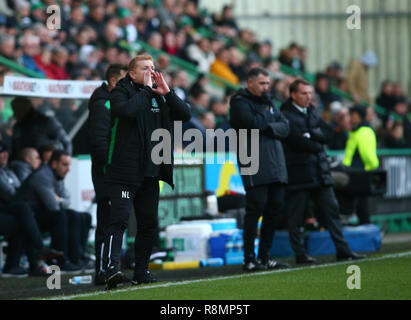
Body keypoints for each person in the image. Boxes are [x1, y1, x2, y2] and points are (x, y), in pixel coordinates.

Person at [102, 54, 191, 289]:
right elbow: (127, 111)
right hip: (123, 171)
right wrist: (147, 91)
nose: (151, 72)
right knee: (119, 220)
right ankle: (111, 270)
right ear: (132, 74)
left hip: (150, 171)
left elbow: (185, 115)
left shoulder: (159, 96)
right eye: (145, 68)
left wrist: (168, 93)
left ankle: (141, 271)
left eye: (153, 68)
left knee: (149, 224)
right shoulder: (121, 91)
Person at [281, 79, 365, 264]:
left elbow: (327, 134)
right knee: (297, 216)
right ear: (293, 95)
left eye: (310, 93)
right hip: (300, 172)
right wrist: (315, 138)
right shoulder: (286, 115)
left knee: (332, 211)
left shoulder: (312, 112)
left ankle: (343, 250)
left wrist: (311, 135)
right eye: (304, 93)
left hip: (319, 171)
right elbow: (297, 141)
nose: (308, 97)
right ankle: (300, 254)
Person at [229, 67, 290, 271]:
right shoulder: (239, 102)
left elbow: (286, 126)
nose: (266, 87)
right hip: (253, 162)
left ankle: (265, 256)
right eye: (262, 83)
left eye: (268, 84)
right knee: (255, 209)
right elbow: (251, 124)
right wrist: (271, 121)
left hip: (275, 164)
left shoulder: (269, 102)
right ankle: (249, 259)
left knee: (275, 209)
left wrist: (269, 124)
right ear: (250, 83)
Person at [15, 150, 90, 272]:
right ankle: (60, 260)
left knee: (82, 216)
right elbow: (53, 206)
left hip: (43, 214)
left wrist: (59, 199)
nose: (68, 169)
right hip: (29, 218)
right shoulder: (43, 175)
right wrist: (60, 200)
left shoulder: (57, 176)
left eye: (69, 165)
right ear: (54, 164)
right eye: (65, 165)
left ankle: (77, 258)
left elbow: (67, 201)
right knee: (60, 216)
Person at [87, 63, 127, 285]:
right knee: (106, 220)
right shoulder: (103, 105)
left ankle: (107, 266)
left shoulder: (109, 102)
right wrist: (111, 167)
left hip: (111, 171)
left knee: (111, 219)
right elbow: (100, 142)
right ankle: (102, 269)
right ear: (113, 82)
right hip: (106, 172)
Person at [0, 142, 63, 277]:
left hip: (9, 209)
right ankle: (33, 256)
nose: (5, 155)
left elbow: (17, 191)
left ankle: (24, 263)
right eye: (1, 152)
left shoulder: (7, 170)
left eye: (5, 151)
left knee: (23, 215)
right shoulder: (12, 171)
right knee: (22, 211)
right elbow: (10, 194)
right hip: (7, 209)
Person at [339, 106, 379, 225]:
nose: (350, 118)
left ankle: (366, 228)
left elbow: (368, 155)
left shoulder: (363, 131)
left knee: (362, 205)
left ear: (358, 116)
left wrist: (371, 168)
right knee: (358, 204)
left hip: (360, 173)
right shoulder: (356, 131)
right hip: (353, 173)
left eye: (352, 115)